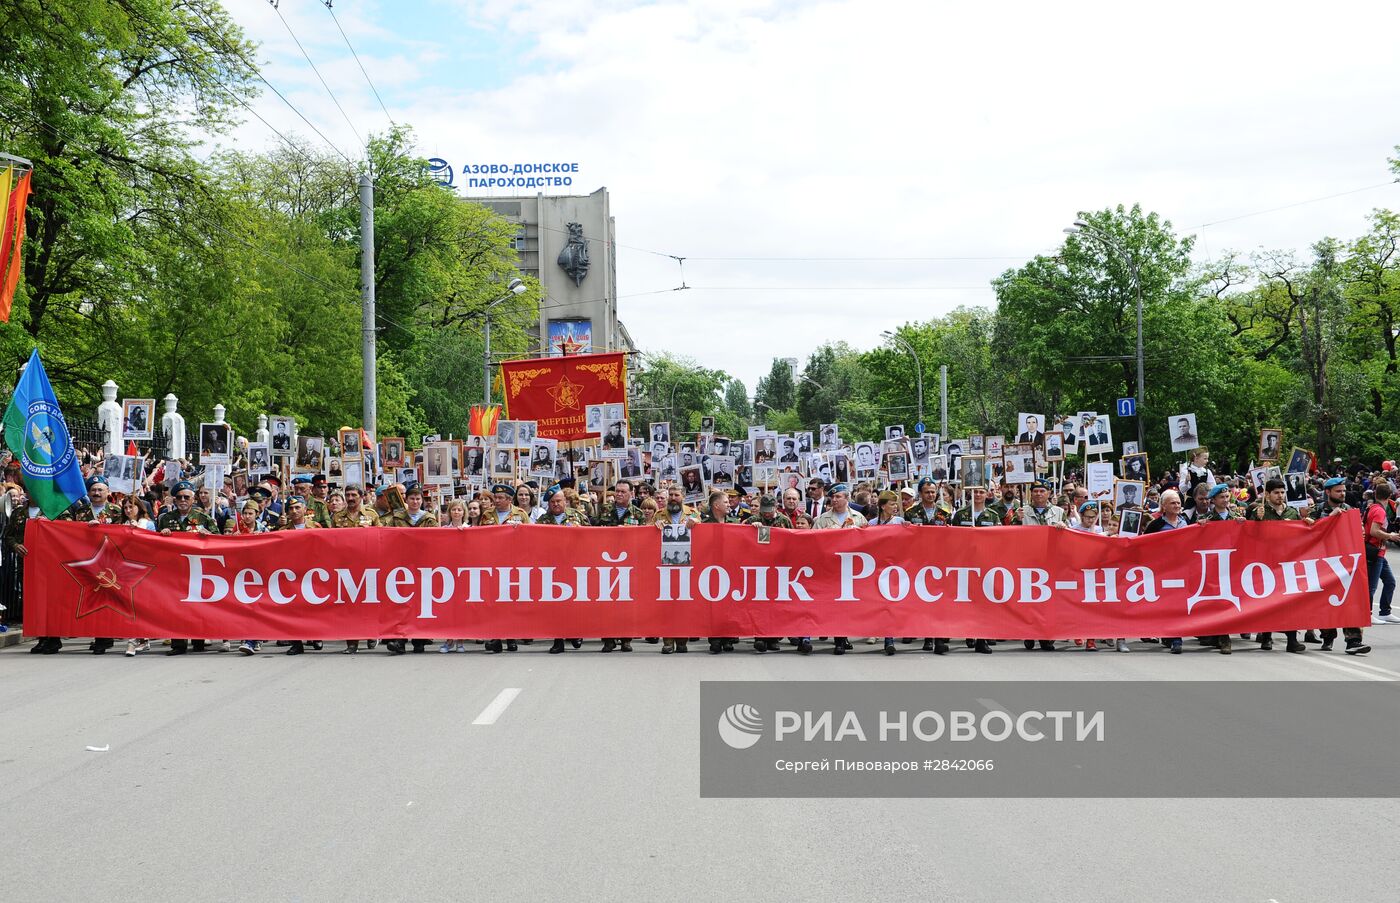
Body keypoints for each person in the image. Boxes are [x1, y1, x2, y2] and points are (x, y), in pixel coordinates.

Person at [156, 481, 217, 655]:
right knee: (175, 607)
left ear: (193, 499)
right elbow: (156, 543)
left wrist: (209, 535)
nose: (182, 500)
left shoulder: (203, 518)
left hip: (197, 569)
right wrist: (163, 535)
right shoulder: (166, 518)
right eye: (179, 497)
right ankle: (178, 644)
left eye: (186, 497)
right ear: (174, 499)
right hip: (174, 570)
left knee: (197, 605)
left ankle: (198, 641)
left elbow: (219, 539)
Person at [811, 484, 866, 655]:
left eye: (838, 497)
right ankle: (839, 639)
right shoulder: (822, 520)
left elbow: (869, 541)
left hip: (853, 569)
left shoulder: (858, 518)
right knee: (835, 605)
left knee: (849, 605)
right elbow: (813, 543)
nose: (834, 500)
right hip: (831, 568)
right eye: (832, 497)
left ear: (846, 498)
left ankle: (844, 635)